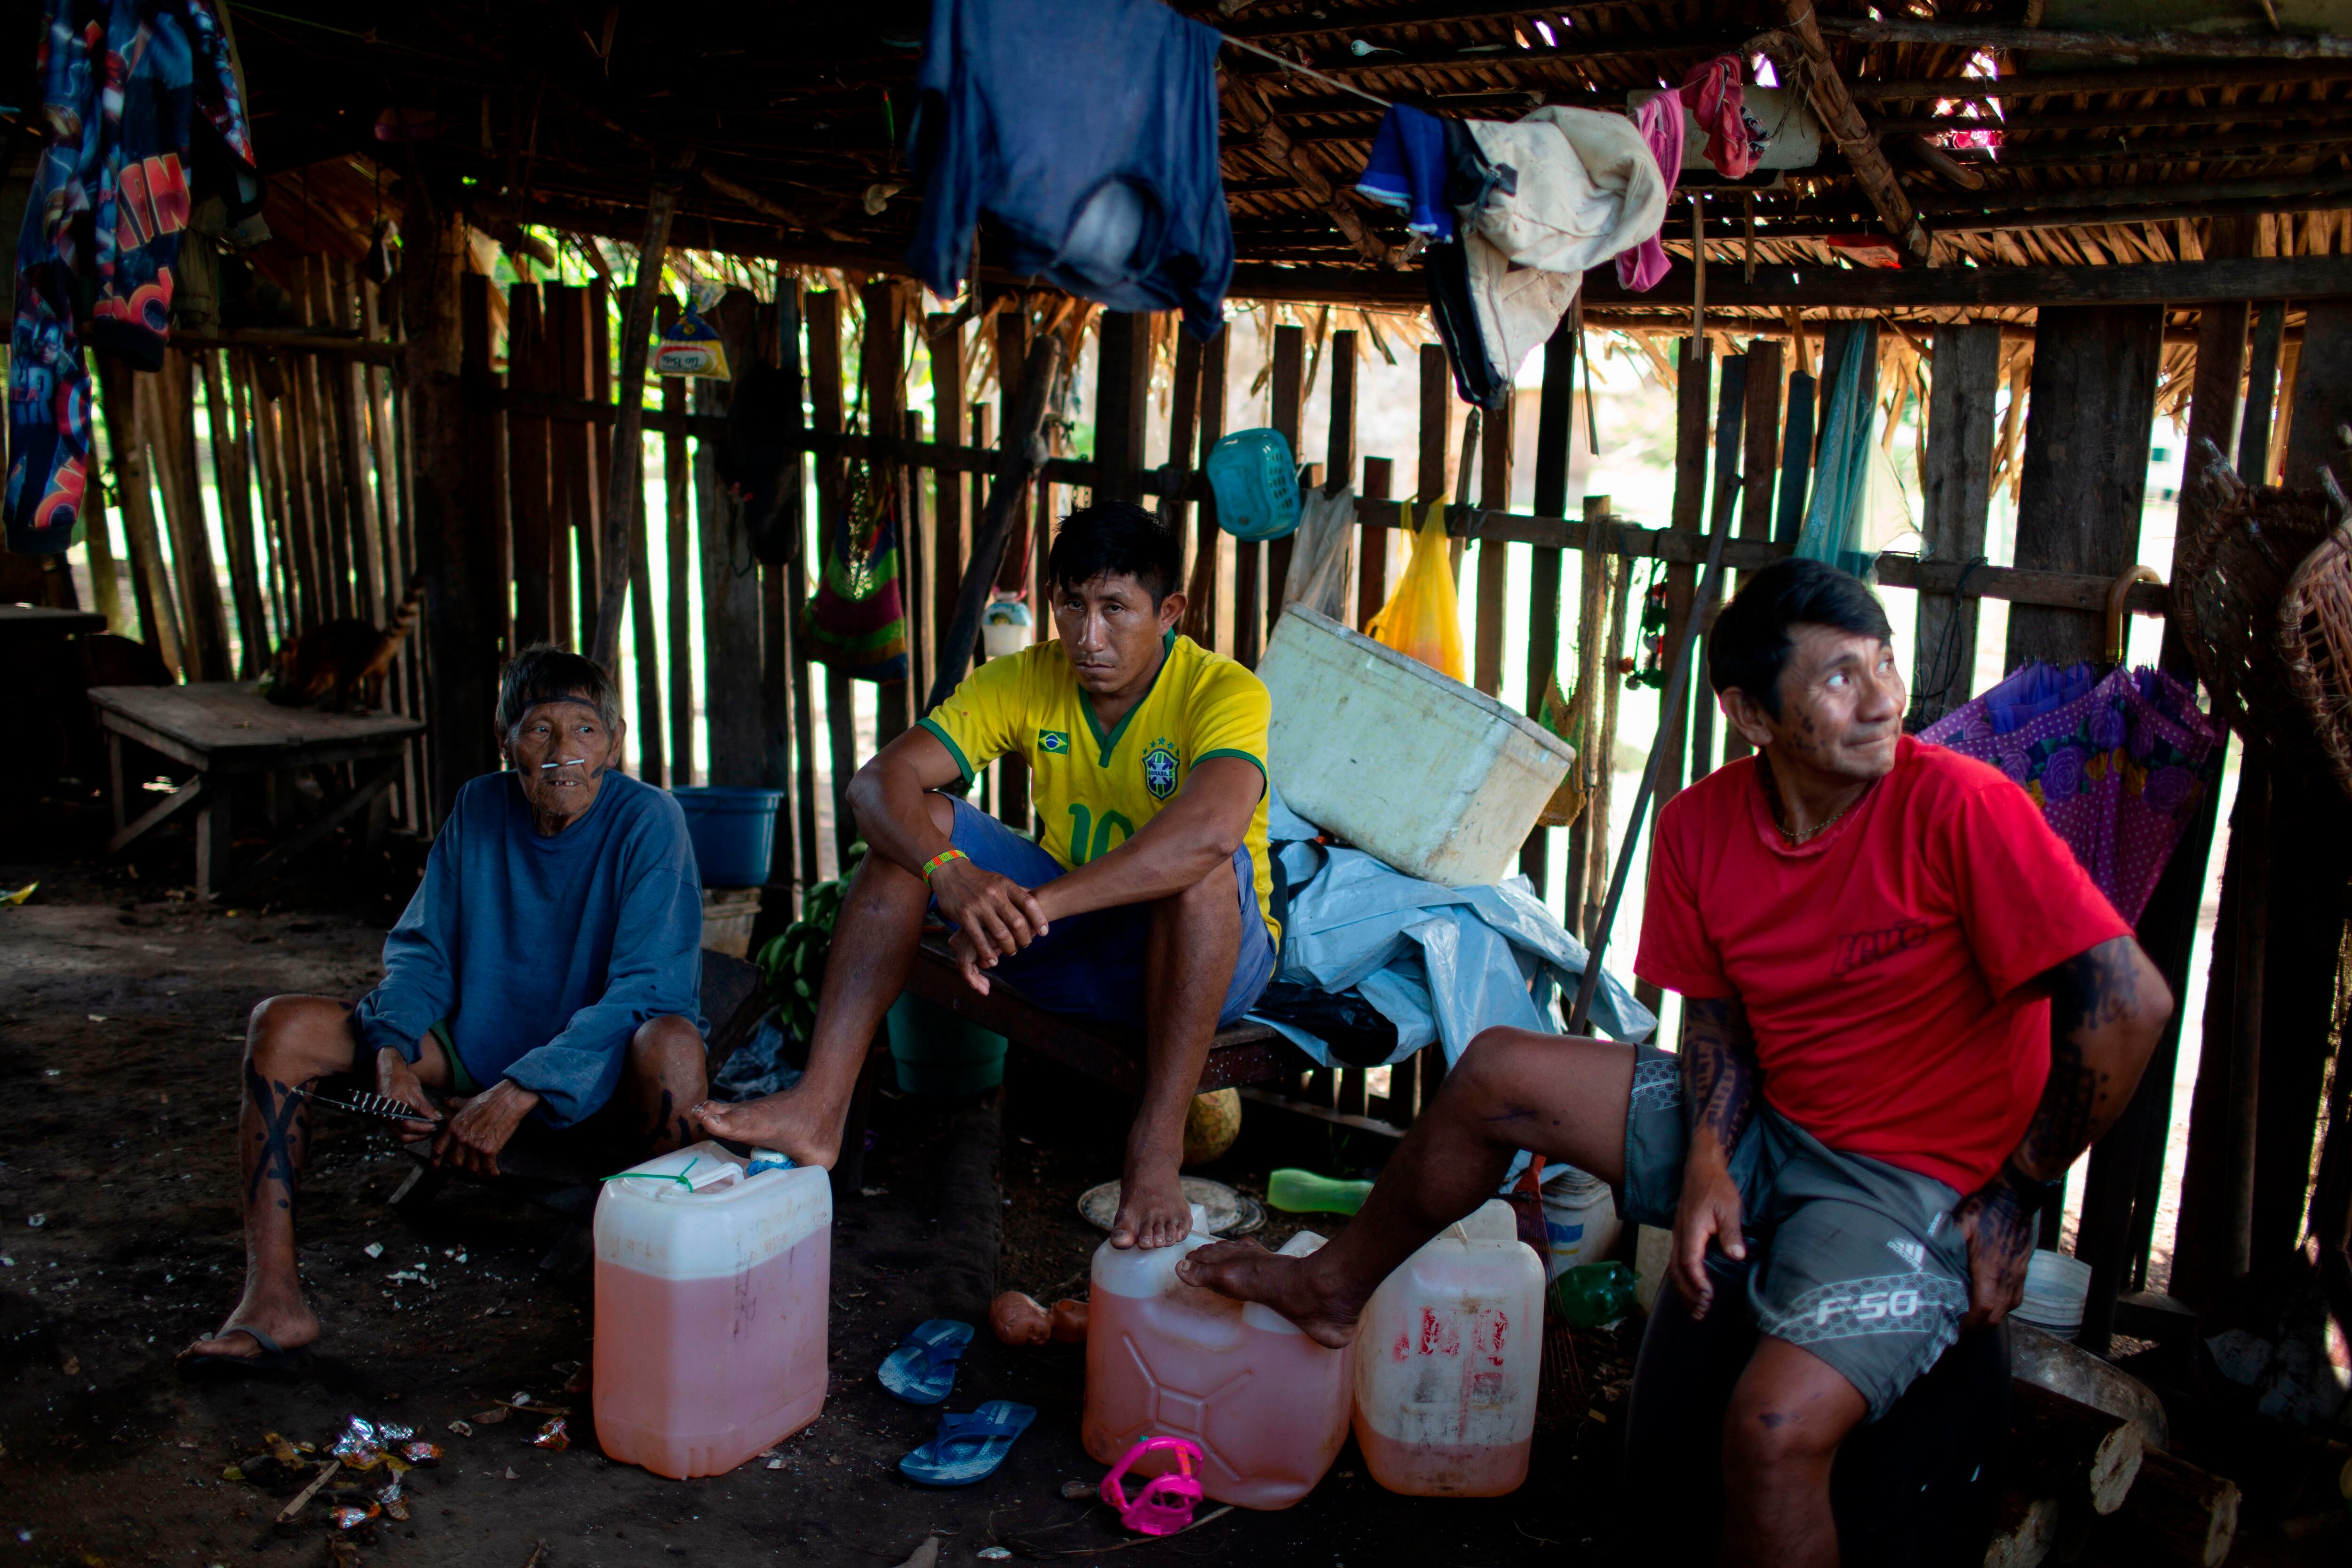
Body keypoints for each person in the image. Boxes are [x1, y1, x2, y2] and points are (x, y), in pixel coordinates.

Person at [1178, 558, 2173, 1565]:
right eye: (1838, 677)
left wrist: (2013, 1195)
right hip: (1769, 1115)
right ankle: (1333, 1289)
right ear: (1749, 711)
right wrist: (1707, 1153)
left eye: (1882, 662)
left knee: (1772, 1432)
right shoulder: (1702, 824)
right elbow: (1714, 1013)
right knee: (1494, 1076)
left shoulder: (1959, 806)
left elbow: (2130, 1004)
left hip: (1907, 1176)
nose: (1881, 699)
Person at [696, 501, 1277, 1250]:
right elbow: (877, 785)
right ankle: (819, 1104)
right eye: (1072, 604)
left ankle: (1157, 1144)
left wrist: (1035, 904)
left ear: (1169, 611)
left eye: (1115, 609)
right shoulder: (1029, 677)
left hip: (1210, 962)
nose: (1088, 637)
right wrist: (948, 871)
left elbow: (1209, 832)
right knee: (913, 829)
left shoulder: (1222, 691)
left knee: (1201, 870)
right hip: (1075, 946)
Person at [181, 647, 708, 1373]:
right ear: (504, 737)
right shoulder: (480, 805)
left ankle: (668, 1312)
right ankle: (273, 1299)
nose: (564, 755)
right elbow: (423, 948)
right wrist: (392, 1050)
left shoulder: (650, 821)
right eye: (539, 731)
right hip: (476, 1038)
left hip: (594, 1071)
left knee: (675, 1049)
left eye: (586, 731)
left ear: (615, 742)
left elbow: (648, 988)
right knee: (280, 1027)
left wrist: (519, 1089)